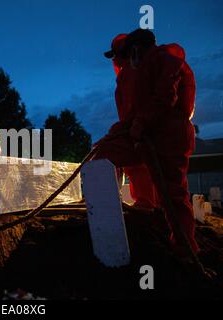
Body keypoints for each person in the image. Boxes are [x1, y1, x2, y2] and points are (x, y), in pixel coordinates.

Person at [95, 29, 198, 254]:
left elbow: (164, 99)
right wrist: (117, 132)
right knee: (102, 154)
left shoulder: (165, 62)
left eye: (122, 55)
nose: (121, 61)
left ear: (135, 49)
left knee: (174, 195)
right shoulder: (143, 69)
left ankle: (185, 249)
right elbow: (134, 113)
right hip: (151, 135)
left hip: (169, 137)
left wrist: (138, 125)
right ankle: (112, 224)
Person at [104, 34, 158, 209]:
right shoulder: (132, 73)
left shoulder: (131, 73)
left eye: (116, 55)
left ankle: (109, 206)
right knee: (142, 166)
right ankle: (150, 203)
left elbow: (134, 108)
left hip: (141, 132)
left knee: (102, 158)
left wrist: (125, 128)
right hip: (139, 130)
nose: (114, 60)